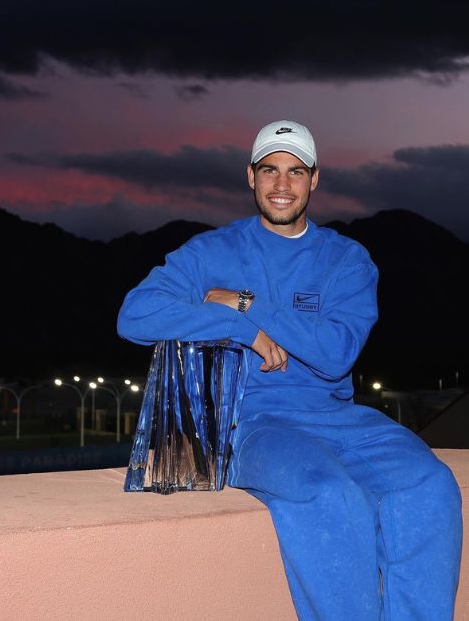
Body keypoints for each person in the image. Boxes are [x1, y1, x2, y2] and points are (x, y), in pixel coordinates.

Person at [117, 121, 462, 621]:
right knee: (328, 491)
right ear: (251, 177)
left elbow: (335, 352)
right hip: (253, 424)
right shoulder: (213, 251)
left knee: (430, 484)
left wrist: (246, 303)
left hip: (338, 418)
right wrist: (238, 329)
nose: (282, 185)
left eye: (295, 171)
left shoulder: (346, 259)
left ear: (314, 179)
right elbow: (136, 315)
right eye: (270, 170)